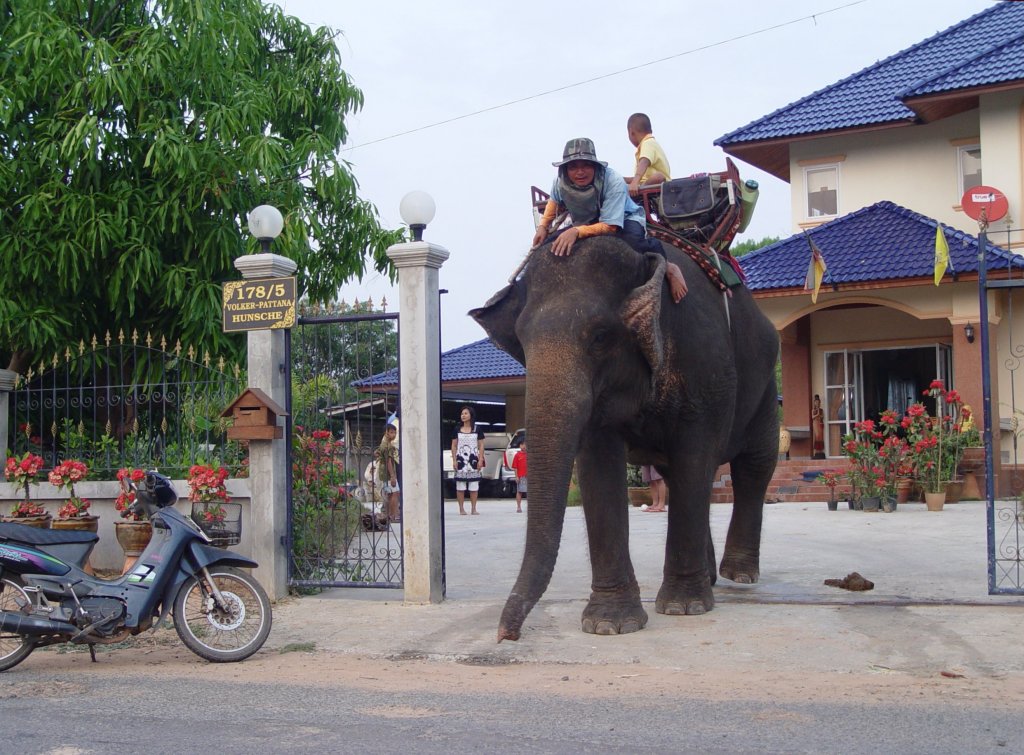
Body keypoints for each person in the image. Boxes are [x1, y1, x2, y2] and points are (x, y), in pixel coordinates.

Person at [531, 137, 687, 303]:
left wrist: (576, 231)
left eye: (586, 165)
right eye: (573, 167)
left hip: (623, 219)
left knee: (631, 242)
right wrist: (543, 227)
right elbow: (553, 201)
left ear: (595, 166)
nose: (580, 172)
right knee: (550, 246)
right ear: (565, 169)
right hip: (587, 222)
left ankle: (669, 267)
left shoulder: (613, 181)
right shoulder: (560, 182)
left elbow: (611, 226)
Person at [626, 113, 671, 197]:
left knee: (658, 176)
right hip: (645, 184)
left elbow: (644, 161)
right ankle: (640, 188)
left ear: (631, 132)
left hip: (661, 186)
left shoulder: (648, 143)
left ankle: (640, 192)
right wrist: (621, 179)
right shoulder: (647, 145)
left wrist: (635, 182)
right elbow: (640, 178)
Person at [451, 406, 485, 515]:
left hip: (473, 460)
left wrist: (480, 459)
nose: (463, 415)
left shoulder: (477, 429)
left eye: (465, 413)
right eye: (462, 414)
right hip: (461, 461)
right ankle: (461, 509)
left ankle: (473, 508)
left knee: (474, 486)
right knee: (460, 486)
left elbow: (481, 445)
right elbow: (454, 446)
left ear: (471, 415)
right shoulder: (457, 429)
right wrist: (455, 460)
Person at [376, 422, 401, 523]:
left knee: (390, 494)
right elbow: (388, 461)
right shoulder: (387, 445)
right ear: (386, 433)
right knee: (395, 493)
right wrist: (393, 476)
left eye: (395, 432)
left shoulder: (385, 443)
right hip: (387, 474)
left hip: (383, 473)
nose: (394, 435)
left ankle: (389, 515)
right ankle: (393, 515)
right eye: (391, 432)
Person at [511, 438, 528, 513]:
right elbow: (515, 467)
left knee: (529, 492)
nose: (524, 446)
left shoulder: (529, 455)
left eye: (525, 444)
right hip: (521, 476)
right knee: (519, 491)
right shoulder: (517, 455)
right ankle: (518, 507)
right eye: (522, 444)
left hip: (528, 476)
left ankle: (529, 507)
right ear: (520, 446)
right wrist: (516, 476)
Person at [811, 394, 825, 460]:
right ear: (814, 402)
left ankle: (821, 451)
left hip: (820, 423)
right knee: (817, 436)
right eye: (816, 402)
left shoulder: (821, 410)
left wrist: (820, 415)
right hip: (815, 423)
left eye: (818, 402)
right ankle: (816, 451)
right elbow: (812, 417)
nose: (817, 403)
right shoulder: (813, 410)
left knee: (821, 437)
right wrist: (817, 414)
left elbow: (822, 416)